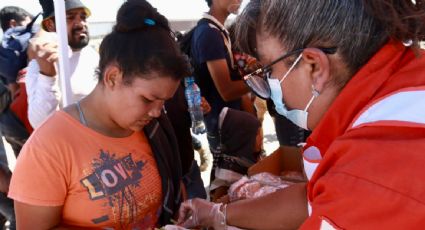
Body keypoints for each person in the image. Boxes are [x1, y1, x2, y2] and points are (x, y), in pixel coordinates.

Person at [177, 0, 425, 229]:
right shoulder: (402, 83)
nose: (267, 83)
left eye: (268, 70)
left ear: (313, 66)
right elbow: (312, 198)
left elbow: (344, 195)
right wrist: (217, 213)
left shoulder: (365, 180)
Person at [8, 0, 191, 228]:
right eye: (148, 99)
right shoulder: (49, 147)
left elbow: (172, 188)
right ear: (112, 77)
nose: (156, 112)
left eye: (164, 101)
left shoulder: (151, 129)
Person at [190, 0, 250, 166]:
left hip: (228, 121)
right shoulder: (209, 33)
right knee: (227, 182)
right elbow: (227, 91)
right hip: (221, 125)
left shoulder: (218, 30)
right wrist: (260, 78)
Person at [26, 0, 99, 129]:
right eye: (70, 17)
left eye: (83, 17)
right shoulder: (39, 64)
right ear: (50, 24)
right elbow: (39, 122)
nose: (81, 24)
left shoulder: (92, 55)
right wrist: (48, 75)